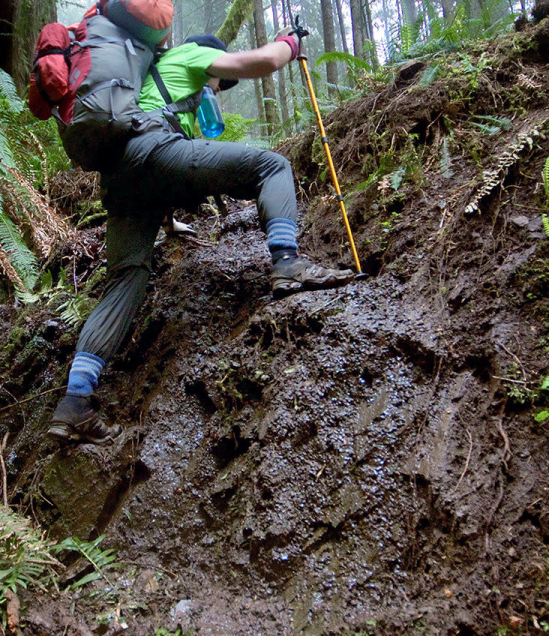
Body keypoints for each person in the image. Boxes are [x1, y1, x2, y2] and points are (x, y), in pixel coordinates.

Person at [48, 29, 355, 443]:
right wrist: (290, 44)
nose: (216, 87)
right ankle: (287, 262)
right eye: (217, 81)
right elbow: (261, 63)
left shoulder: (138, 79)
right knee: (272, 166)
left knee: (126, 280)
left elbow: (156, 169)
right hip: (155, 149)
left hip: (121, 177)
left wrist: (169, 222)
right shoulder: (193, 54)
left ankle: (75, 403)